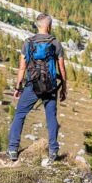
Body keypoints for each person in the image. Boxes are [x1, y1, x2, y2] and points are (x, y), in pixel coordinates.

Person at [7, 13, 67, 162]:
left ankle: (13, 149)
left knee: (20, 114)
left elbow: (22, 68)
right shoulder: (55, 43)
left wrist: (18, 87)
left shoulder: (28, 43)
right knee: (51, 116)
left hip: (32, 86)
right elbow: (62, 68)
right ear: (49, 26)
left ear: (37, 26)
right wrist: (64, 87)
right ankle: (53, 150)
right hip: (51, 86)